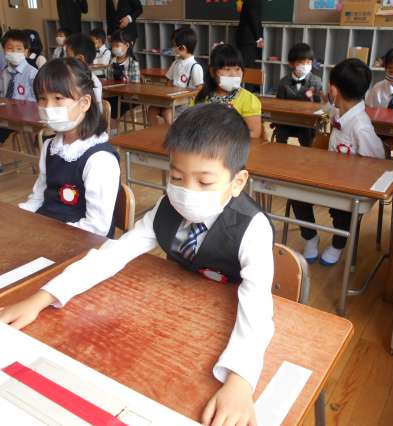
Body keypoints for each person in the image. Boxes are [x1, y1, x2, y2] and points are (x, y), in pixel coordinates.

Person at [0, 103, 274, 426]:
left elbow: (257, 303)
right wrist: (44, 297)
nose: (186, 191)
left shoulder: (252, 228)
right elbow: (113, 254)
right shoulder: (166, 208)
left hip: (225, 319)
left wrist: (240, 379)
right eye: (177, 177)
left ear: (238, 182)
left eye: (204, 182)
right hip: (174, 316)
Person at [293, 59, 385, 266]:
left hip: (349, 186)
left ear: (333, 89)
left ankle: (337, 245)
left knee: (344, 213)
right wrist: (326, 101)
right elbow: (328, 111)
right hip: (329, 176)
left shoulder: (361, 126)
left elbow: (378, 161)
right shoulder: (340, 110)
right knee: (297, 195)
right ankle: (311, 238)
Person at [18, 58, 119, 237]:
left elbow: (97, 228)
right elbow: (39, 197)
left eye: (58, 98)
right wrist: (17, 216)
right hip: (46, 231)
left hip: (81, 241)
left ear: (84, 103)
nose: (48, 107)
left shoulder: (100, 160)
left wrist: (49, 235)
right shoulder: (50, 146)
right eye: (42, 98)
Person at [195, 43, 262, 138]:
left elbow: (254, 134)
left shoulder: (249, 100)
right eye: (227, 69)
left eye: (237, 69)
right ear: (212, 72)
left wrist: (221, 137)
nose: (233, 74)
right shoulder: (202, 96)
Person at [148, 27, 203, 127]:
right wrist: (166, 93)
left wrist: (186, 95)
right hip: (171, 99)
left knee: (167, 112)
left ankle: (171, 133)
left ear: (182, 48)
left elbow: (199, 88)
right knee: (152, 109)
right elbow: (169, 81)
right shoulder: (176, 63)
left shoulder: (195, 66)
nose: (173, 48)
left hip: (185, 102)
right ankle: (154, 133)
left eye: (174, 45)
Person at [272, 43, 322, 147]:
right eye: (300, 62)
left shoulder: (316, 81)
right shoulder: (283, 82)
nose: (305, 66)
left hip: (306, 122)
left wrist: (312, 99)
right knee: (280, 134)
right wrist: (276, 120)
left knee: (308, 138)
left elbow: (319, 106)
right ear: (291, 64)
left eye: (308, 62)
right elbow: (278, 104)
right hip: (287, 121)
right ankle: (279, 152)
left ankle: (306, 154)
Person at [0, 29, 38, 145]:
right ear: (4, 50)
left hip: (27, 117)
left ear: (26, 52)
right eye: (10, 48)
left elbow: (38, 98)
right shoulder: (4, 73)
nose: (14, 52)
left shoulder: (32, 73)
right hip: (7, 116)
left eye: (19, 49)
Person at [106, 29, 140, 120]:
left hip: (128, 97)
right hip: (114, 94)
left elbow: (135, 85)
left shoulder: (133, 63)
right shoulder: (112, 61)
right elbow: (109, 79)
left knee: (113, 108)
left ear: (127, 45)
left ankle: (113, 128)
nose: (114, 48)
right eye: (113, 45)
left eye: (117, 45)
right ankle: (109, 126)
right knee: (102, 104)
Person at [65, 33, 103, 111]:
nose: (64, 61)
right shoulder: (68, 77)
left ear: (80, 59)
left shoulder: (93, 83)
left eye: (68, 57)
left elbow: (96, 113)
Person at [236, 0, 263, 70]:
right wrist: (259, 39)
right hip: (248, 40)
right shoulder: (253, 1)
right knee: (247, 67)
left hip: (247, 39)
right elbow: (253, 20)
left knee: (247, 65)